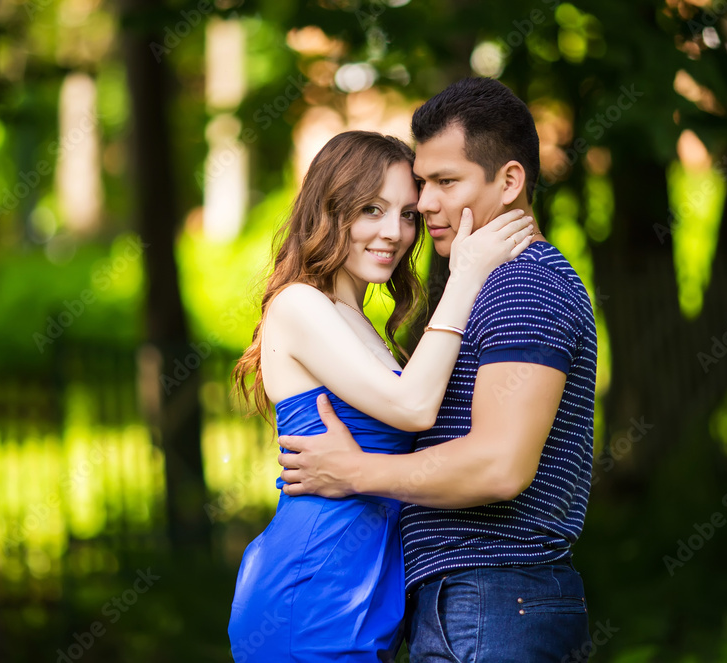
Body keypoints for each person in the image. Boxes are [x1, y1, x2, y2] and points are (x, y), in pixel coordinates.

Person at [278, 77, 599, 662]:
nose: (423, 207)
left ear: (509, 181)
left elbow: (499, 466)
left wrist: (355, 472)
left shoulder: (523, 286)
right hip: (476, 600)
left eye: (444, 183)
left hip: (497, 596)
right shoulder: (484, 285)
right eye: (422, 184)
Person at [227, 129, 536, 662]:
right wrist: (465, 275)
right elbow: (415, 408)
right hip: (312, 586)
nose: (393, 232)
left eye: (408, 214)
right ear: (328, 211)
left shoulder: (359, 324)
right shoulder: (298, 305)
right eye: (371, 209)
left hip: (367, 594)